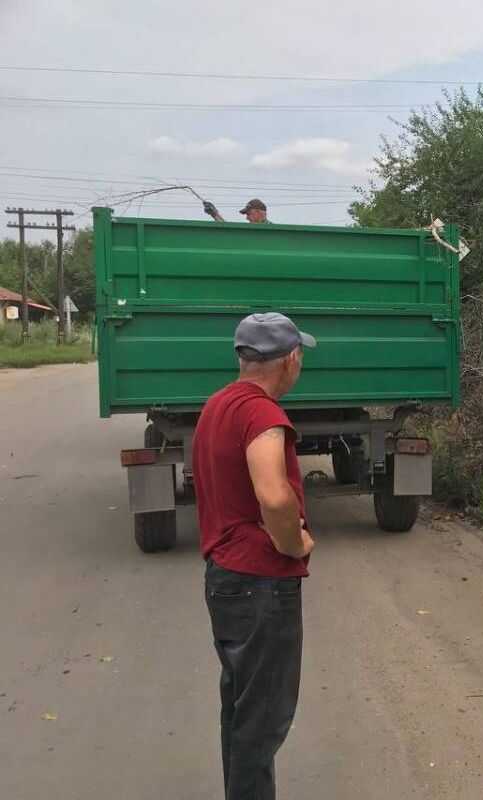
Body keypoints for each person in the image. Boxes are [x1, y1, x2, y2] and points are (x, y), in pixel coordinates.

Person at [192, 312, 317, 799]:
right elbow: (274, 494)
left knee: (242, 709)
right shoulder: (263, 415)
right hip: (261, 583)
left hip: (225, 577)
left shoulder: (218, 404)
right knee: (263, 720)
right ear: (289, 359)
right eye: (300, 355)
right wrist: (294, 543)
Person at [203, 198, 269, 224]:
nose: (247, 218)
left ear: (258, 212)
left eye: (248, 214)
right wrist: (214, 214)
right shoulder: (250, 232)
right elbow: (229, 232)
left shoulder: (272, 232)